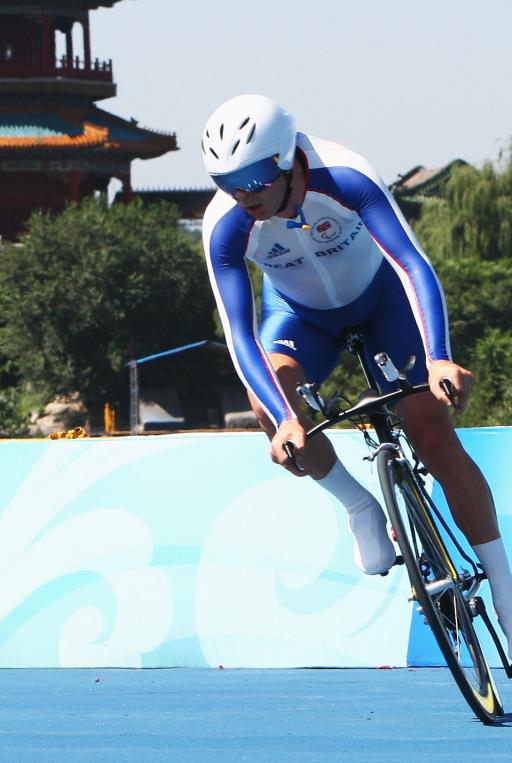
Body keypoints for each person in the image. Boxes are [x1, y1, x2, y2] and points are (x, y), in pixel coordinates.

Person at [201, 93, 512, 651]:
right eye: (227, 182)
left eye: (251, 179)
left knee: (431, 431)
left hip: (383, 303)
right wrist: (283, 417)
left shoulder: (345, 175)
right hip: (297, 318)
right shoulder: (224, 225)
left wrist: (438, 356)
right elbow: (239, 332)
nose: (241, 196)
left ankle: (507, 588)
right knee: (272, 406)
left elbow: (412, 262)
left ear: (284, 161)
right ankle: (359, 504)